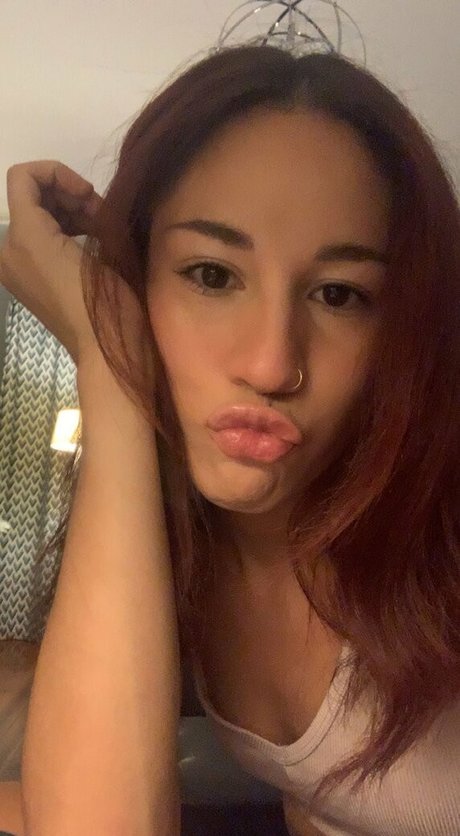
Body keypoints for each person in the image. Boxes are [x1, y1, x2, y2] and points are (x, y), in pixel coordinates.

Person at [0, 43, 458, 835]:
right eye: (212, 275)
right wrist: (113, 374)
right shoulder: (188, 556)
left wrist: (110, 373)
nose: (272, 364)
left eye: (339, 295)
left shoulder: (437, 549)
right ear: (134, 286)